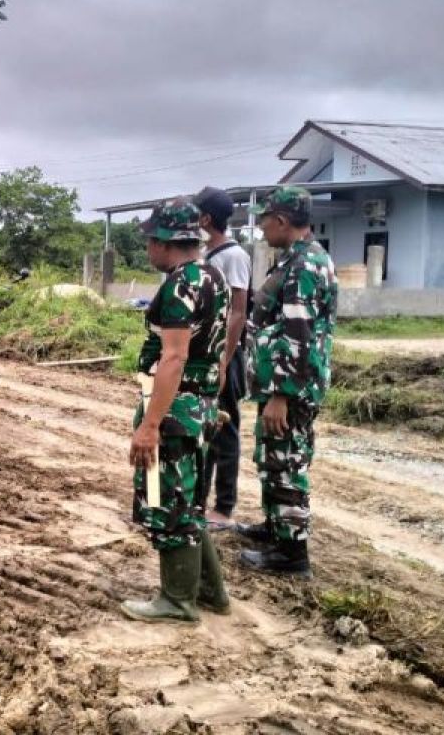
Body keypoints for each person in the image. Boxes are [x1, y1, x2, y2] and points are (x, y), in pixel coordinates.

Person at [121, 196, 230, 624]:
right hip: (196, 403)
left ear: (165, 241)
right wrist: (209, 403)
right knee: (188, 500)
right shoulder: (213, 277)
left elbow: (174, 357)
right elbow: (217, 351)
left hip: (174, 407)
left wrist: (150, 425)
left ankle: (177, 600)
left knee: (169, 502)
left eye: (150, 239)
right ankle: (210, 592)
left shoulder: (179, 287)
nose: (147, 248)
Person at [237, 186, 337, 578]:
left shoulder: (304, 265)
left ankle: (292, 555)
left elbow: (299, 333)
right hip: (281, 383)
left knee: (287, 460)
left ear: (281, 220)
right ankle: (276, 527)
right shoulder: (296, 259)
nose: (260, 227)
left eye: (264, 219)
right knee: (273, 457)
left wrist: (281, 394)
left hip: (291, 388)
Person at [195, 187, 252, 529]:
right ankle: (199, 499)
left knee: (225, 429)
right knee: (204, 427)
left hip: (225, 355)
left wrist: (224, 358)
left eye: (196, 214)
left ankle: (224, 507)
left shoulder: (234, 257)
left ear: (206, 219)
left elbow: (238, 311)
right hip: (205, 352)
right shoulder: (206, 253)